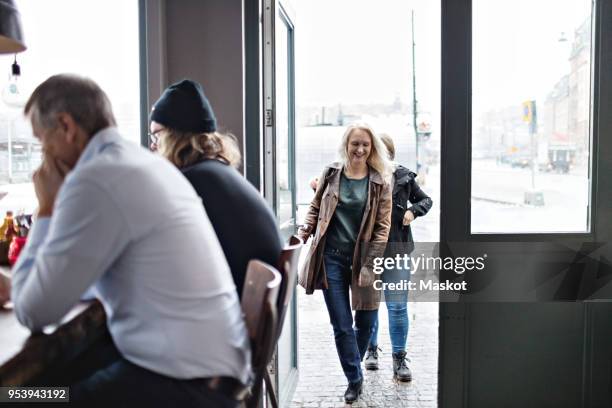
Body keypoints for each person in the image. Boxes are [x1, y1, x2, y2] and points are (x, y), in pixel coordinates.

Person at [9, 74, 251, 407]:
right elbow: (74, 283)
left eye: (42, 141)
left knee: (23, 397)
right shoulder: (143, 164)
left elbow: (34, 312)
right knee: (61, 377)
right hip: (209, 369)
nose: (43, 156)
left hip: (182, 387)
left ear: (66, 126)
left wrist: (47, 208)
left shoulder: (95, 180)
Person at [149, 79, 282, 297]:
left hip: (232, 307)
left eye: (156, 135)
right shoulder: (218, 172)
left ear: (174, 137)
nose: (152, 145)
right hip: (250, 303)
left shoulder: (192, 182)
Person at [297, 123, 392, 404]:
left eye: (365, 144)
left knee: (367, 319)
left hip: (365, 260)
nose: (360, 149)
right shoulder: (331, 173)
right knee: (341, 324)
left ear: (372, 147)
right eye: (355, 144)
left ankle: (354, 364)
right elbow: (315, 207)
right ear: (346, 145)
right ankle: (354, 378)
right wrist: (305, 230)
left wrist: (370, 264)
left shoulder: (380, 182)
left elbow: (382, 228)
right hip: (332, 259)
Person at [364, 133, 433, 381]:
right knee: (369, 304)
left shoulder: (403, 176)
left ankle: (399, 358)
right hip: (367, 253)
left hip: (398, 250)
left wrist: (413, 212)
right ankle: (371, 351)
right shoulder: (360, 176)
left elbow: (426, 200)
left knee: (397, 306)